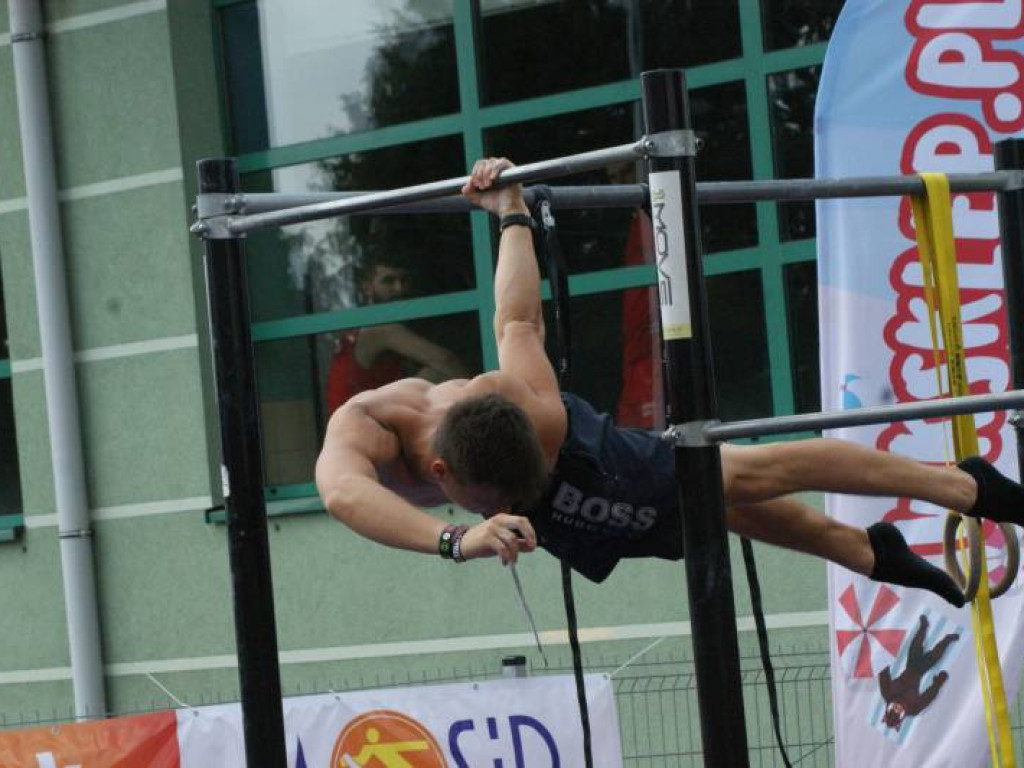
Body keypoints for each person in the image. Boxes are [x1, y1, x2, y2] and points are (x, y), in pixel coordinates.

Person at [316, 157, 1024, 608]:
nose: (502, 508)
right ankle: (865, 551)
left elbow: (519, 323)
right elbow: (343, 494)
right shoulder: (367, 426)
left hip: (588, 466)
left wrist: (514, 213)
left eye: (513, 491)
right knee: (705, 507)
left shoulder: (533, 410)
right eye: (495, 503)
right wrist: (455, 542)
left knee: (741, 477)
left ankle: (961, 485)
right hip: (562, 518)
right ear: (439, 470)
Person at [325, 249, 471, 414]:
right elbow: (447, 360)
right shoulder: (379, 327)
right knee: (439, 372)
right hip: (362, 424)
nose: (399, 288)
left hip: (360, 423)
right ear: (368, 288)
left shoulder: (362, 327)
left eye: (404, 280)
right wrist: (482, 391)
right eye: (388, 281)